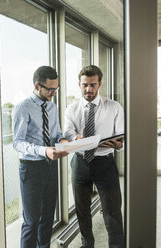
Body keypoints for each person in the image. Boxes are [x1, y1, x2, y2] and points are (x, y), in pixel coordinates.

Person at [64, 65, 124, 248]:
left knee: (112, 211)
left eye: (92, 85)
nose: (88, 89)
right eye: (85, 85)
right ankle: (86, 244)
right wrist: (76, 137)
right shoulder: (72, 109)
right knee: (82, 211)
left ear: (99, 84)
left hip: (105, 163)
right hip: (80, 163)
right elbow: (67, 131)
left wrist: (119, 144)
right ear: (79, 84)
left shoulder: (114, 107)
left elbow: (122, 136)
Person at [12, 65, 69, 248]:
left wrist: (62, 140)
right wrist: (43, 150)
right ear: (37, 86)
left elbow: (56, 133)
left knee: (47, 218)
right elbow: (18, 142)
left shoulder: (52, 107)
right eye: (50, 89)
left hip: (51, 166)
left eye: (56, 89)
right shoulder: (23, 107)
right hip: (31, 168)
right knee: (31, 221)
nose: (53, 93)